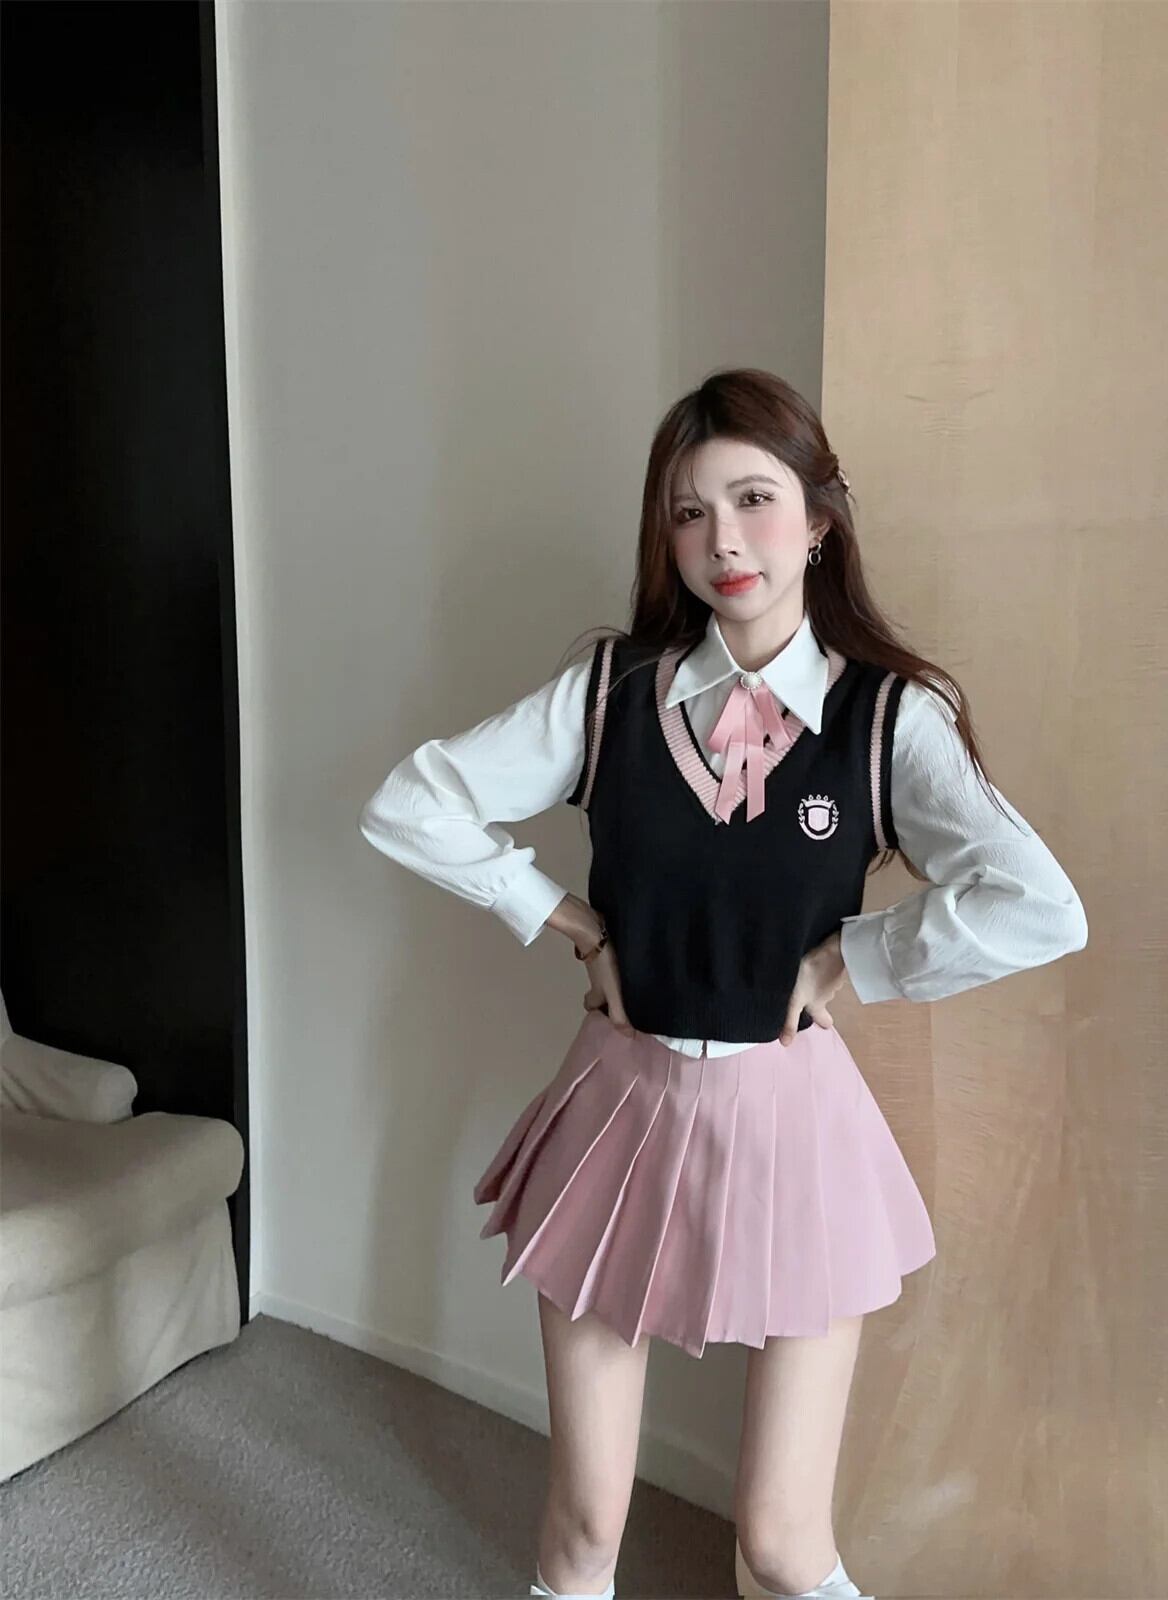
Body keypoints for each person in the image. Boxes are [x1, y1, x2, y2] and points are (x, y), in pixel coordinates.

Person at [357, 368, 1088, 1600]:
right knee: (585, 1526)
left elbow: (1040, 905)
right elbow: (410, 804)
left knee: (783, 1543)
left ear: (820, 518)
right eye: (689, 512)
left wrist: (855, 957)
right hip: (617, 1111)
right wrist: (561, 917)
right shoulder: (609, 694)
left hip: (793, 1121)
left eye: (754, 499)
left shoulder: (886, 718)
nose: (724, 541)